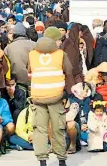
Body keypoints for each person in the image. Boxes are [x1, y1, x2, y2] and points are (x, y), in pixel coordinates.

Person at [28, 37, 72, 166]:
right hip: (56, 96)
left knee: (40, 130)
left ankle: (42, 161)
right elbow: (68, 71)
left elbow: (29, 72)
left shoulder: (32, 54)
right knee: (58, 128)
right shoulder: (61, 54)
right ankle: (61, 160)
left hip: (38, 97)